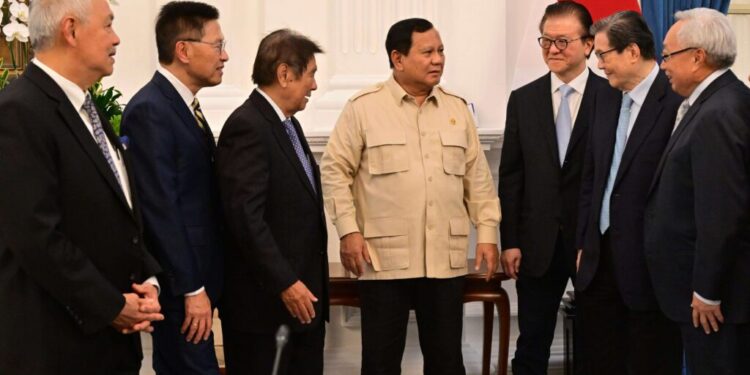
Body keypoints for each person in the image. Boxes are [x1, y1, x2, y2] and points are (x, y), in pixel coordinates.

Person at [321, 18, 500, 375]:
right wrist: (348, 230)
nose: (438, 59)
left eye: (441, 51)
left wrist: (488, 234)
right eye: (427, 52)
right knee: (381, 362)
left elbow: (477, 179)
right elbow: (334, 170)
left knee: (447, 361)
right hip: (384, 259)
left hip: (443, 259)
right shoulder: (363, 108)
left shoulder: (456, 109)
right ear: (398, 58)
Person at [0, 0, 164, 374]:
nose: (117, 38)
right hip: (56, 348)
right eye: (108, 25)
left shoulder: (88, 107)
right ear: (70, 30)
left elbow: (119, 212)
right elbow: (35, 235)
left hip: (109, 346)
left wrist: (148, 280)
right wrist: (110, 306)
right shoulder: (18, 112)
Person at [497, 2, 608, 374]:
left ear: (589, 44)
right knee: (532, 343)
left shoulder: (612, 97)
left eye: (563, 41)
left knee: (599, 340)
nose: (553, 49)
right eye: (546, 40)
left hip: (593, 243)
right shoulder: (523, 100)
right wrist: (509, 240)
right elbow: (511, 176)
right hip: (536, 244)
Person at [120, 2, 227, 374]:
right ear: (183, 50)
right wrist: (191, 289)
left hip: (198, 282)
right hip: (182, 286)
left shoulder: (182, 106)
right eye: (217, 45)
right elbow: (160, 209)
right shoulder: (151, 109)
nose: (224, 55)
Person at [575, 10, 683, 375]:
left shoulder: (675, 100)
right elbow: (591, 176)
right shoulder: (602, 97)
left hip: (649, 264)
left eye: (604, 55)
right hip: (599, 261)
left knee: (647, 361)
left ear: (632, 52)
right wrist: (583, 242)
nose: (599, 65)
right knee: (600, 360)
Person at [216, 29, 328, 375]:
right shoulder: (248, 126)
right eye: (310, 74)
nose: (313, 86)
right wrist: (285, 283)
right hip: (265, 313)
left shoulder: (286, 125)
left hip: (299, 310)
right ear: (284, 74)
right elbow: (245, 218)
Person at [645, 8, 750, 374]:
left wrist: (707, 290)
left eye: (668, 55)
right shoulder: (712, 102)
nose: (663, 65)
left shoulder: (720, 111)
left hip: (716, 300)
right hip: (702, 291)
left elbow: (721, 212)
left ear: (697, 56)